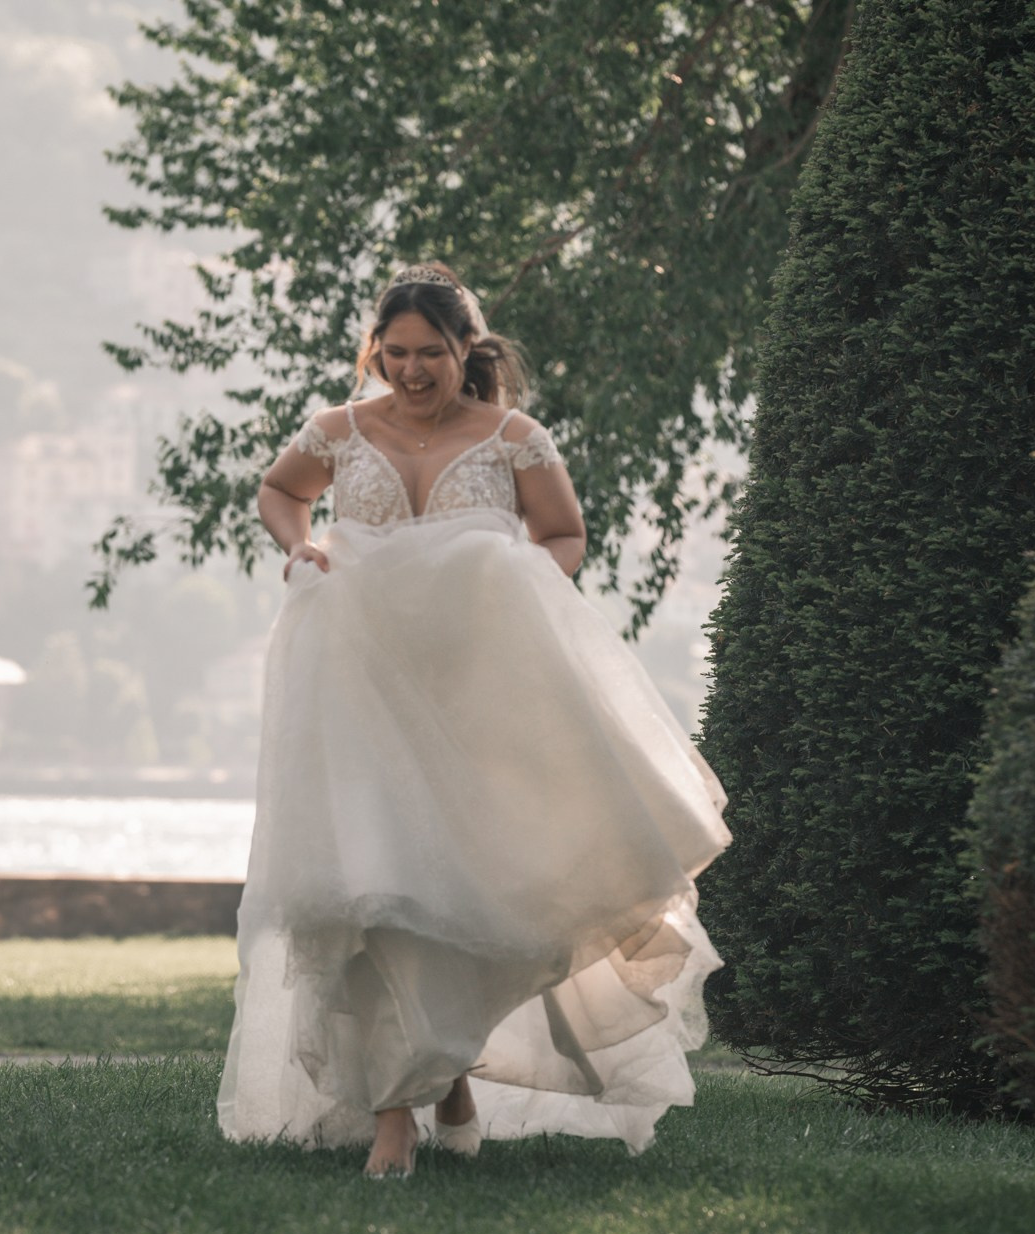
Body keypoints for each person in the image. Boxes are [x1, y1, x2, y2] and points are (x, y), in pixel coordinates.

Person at [219, 263, 730, 1177]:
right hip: (358, 699)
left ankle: (445, 1070)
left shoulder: (514, 439)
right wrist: (302, 550)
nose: (412, 372)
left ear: (467, 351)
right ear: (376, 350)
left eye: (432, 354)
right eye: (396, 353)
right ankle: (393, 1116)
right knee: (370, 896)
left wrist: (517, 587)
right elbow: (278, 493)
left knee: (476, 902)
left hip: (476, 703)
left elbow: (563, 536)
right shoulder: (337, 433)